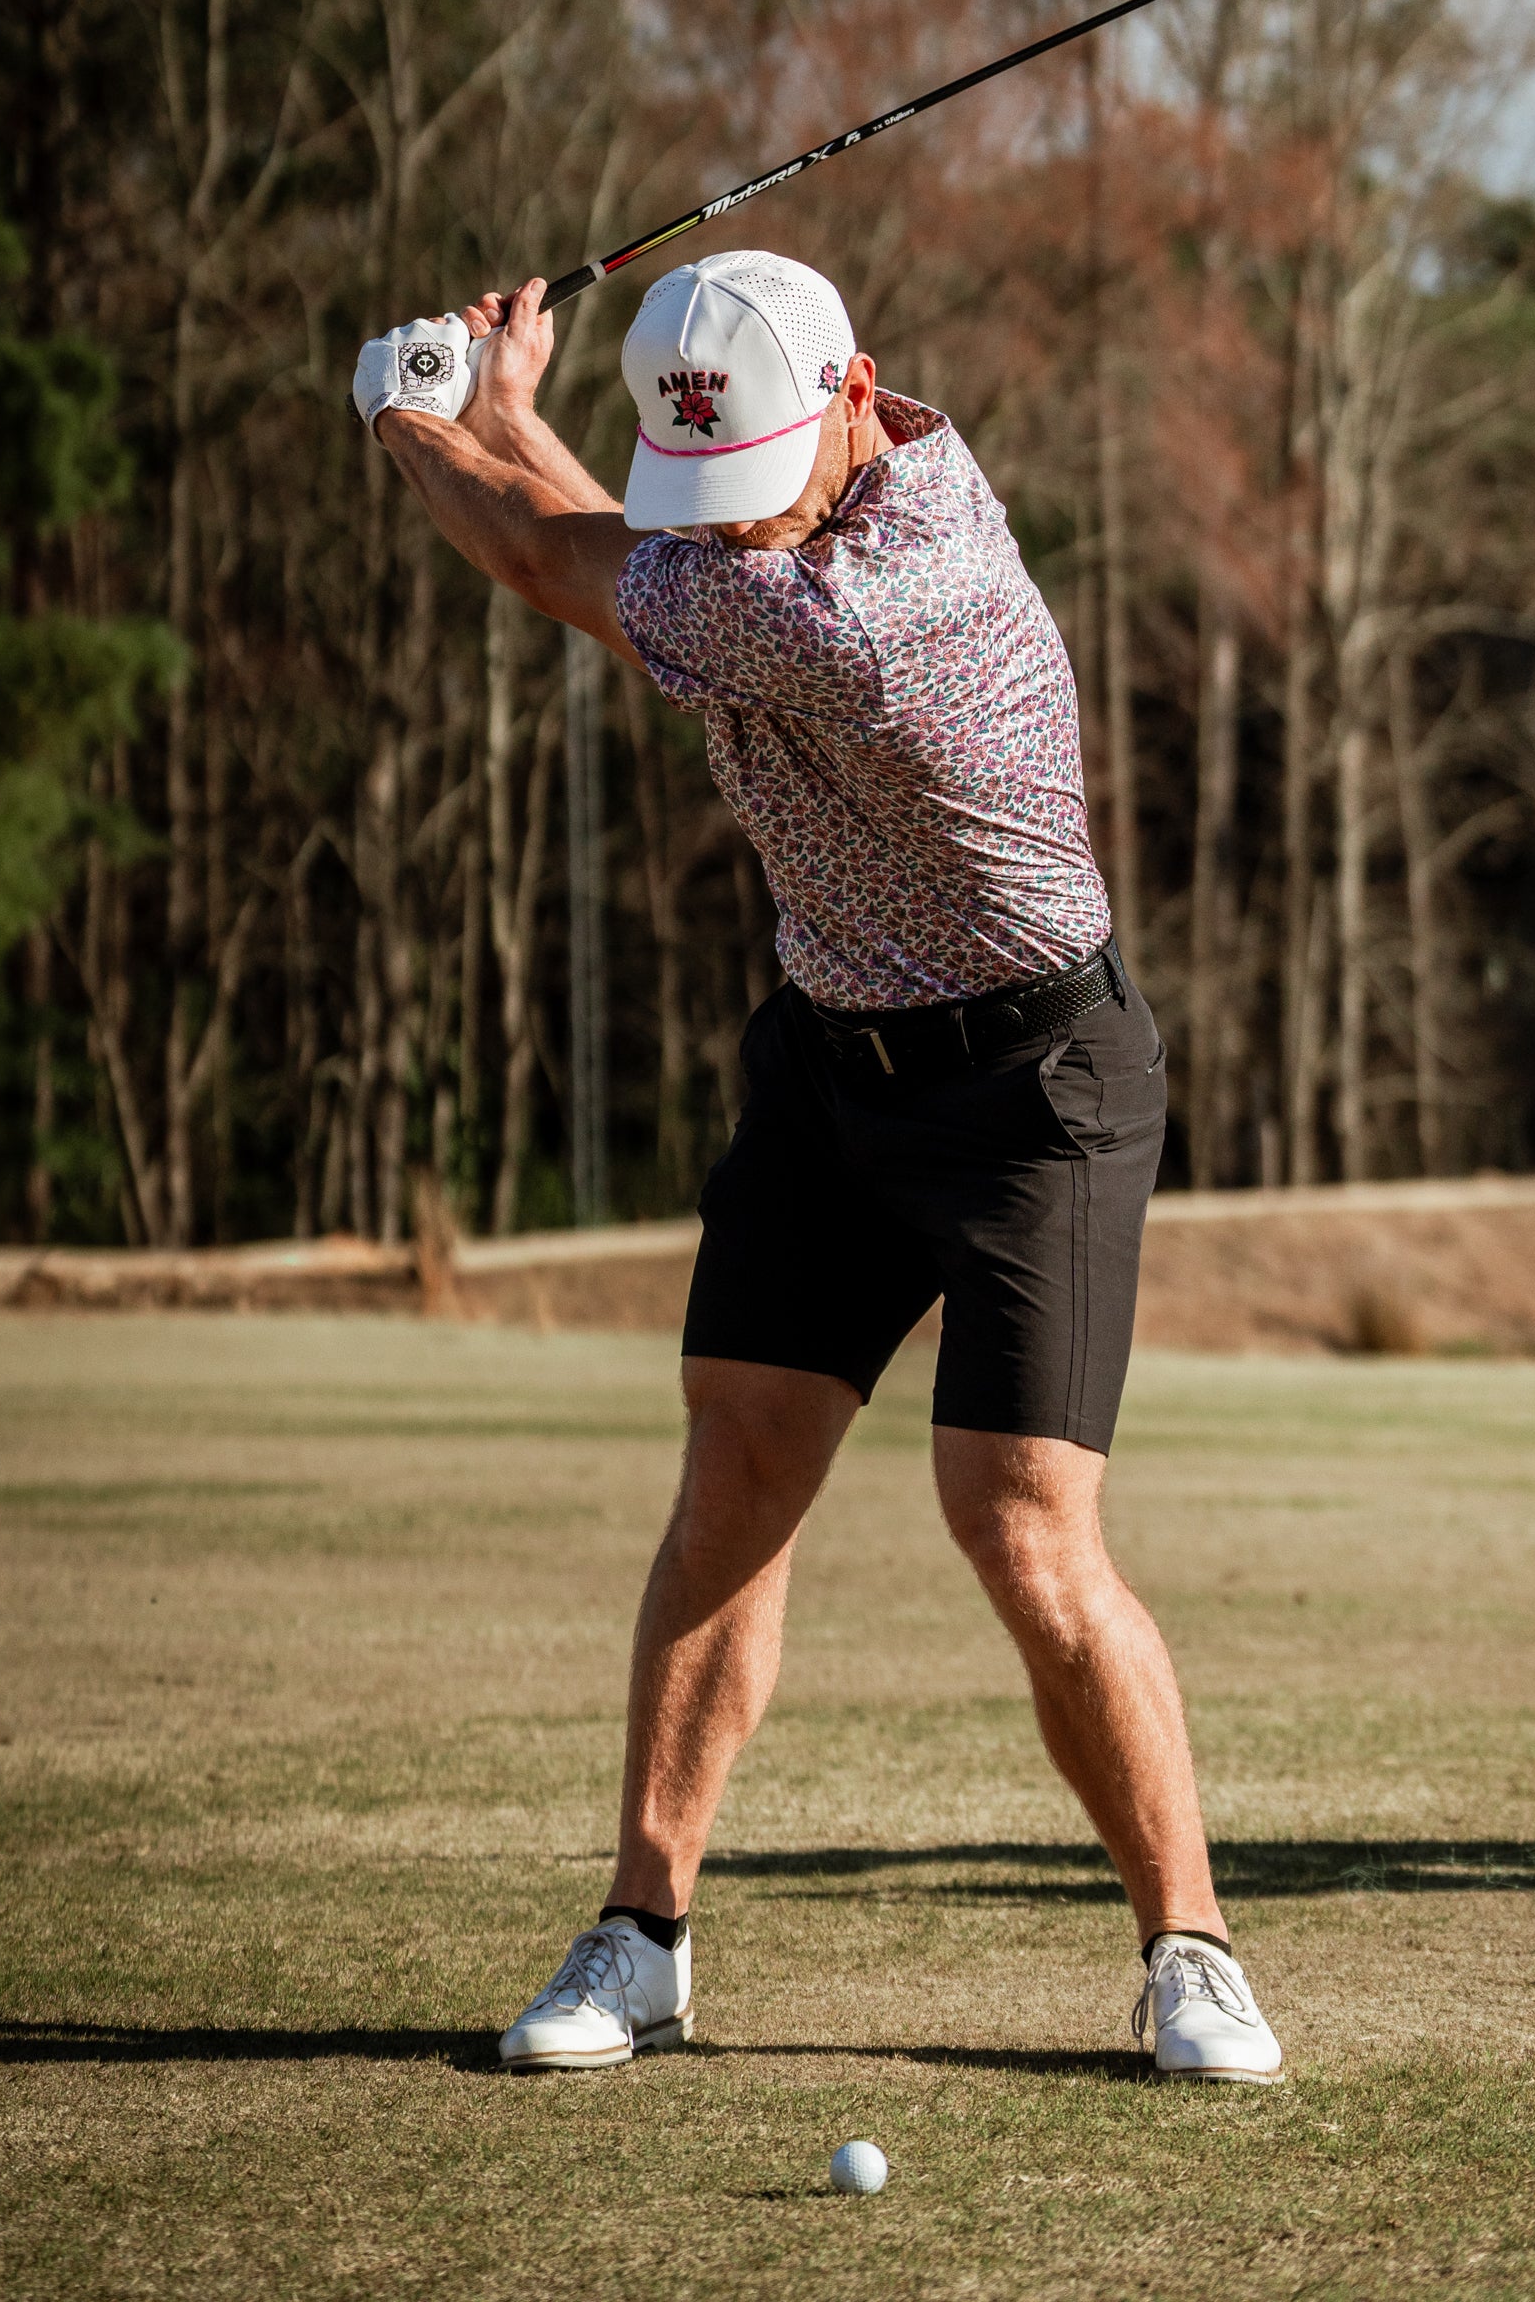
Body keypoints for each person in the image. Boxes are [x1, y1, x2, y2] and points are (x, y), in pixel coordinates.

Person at [353, 250, 1282, 2083]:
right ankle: (642, 1936)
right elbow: (623, 538)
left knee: (1021, 1516)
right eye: (704, 487)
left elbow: (559, 559)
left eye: (756, 484)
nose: (735, 527)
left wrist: (405, 405)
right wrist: (518, 405)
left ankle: (1194, 1947)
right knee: (738, 1476)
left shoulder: (874, 607)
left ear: (858, 397)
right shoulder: (802, 511)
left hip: (1033, 1084)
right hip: (830, 1066)